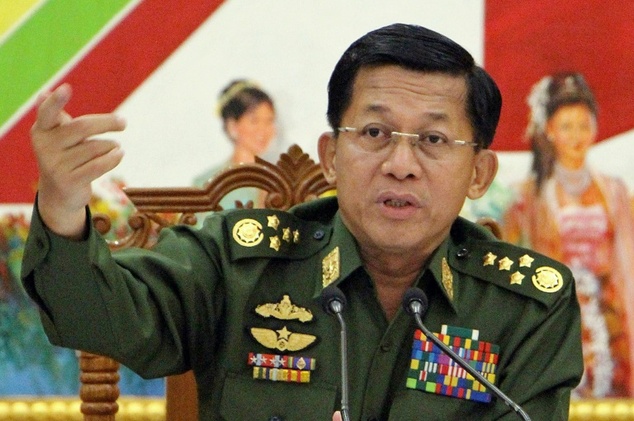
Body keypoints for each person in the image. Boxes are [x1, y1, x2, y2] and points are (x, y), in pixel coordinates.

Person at [22, 24, 582, 420]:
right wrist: (63, 206)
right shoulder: (237, 267)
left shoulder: (527, 307)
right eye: (374, 133)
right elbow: (96, 316)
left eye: (433, 139)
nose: (401, 164)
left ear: (479, 174)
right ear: (330, 157)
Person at [503, 72, 634, 398]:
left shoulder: (615, 192)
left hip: (607, 319)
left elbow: (627, 266)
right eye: (566, 127)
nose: (576, 137)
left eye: (583, 126)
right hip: (556, 313)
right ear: (549, 130)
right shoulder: (528, 197)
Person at [193, 79, 277, 209]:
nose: (263, 130)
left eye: (269, 121)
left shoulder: (278, 178)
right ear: (232, 126)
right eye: (254, 121)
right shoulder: (209, 183)